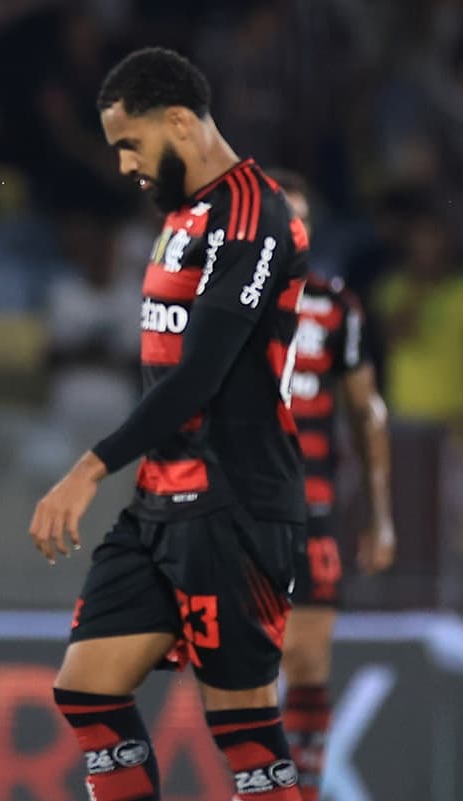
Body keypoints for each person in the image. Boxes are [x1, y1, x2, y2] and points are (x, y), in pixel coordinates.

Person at [29, 48, 309, 800]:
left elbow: (200, 375)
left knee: (244, 729)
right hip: (162, 498)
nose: (124, 165)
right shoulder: (182, 216)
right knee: (88, 691)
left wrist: (90, 466)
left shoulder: (256, 217)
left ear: (180, 121)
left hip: (237, 500)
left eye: (131, 143)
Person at [270, 170, 395, 801]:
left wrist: (381, 516)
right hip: (242, 511)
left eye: (300, 221)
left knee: (309, 663)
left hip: (313, 507)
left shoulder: (335, 306)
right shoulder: (218, 305)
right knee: (248, 671)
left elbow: (367, 412)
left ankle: (305, 790)